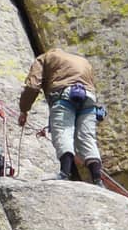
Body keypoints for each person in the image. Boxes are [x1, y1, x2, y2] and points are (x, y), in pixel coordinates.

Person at [18, 46, 104, 184]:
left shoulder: (45, 58)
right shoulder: (83, 61)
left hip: (64, 96)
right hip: (89, 99)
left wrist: (24, 109)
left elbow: (32, 86)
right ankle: (97, 180)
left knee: (63, 131)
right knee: (87, 138)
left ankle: (64, 173)